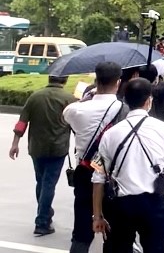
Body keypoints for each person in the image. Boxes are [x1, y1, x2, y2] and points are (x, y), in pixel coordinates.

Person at [91, 78, 164, 253]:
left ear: (126, 100)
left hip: (120, 205)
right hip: (154, 204)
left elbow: (98, 177)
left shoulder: (109, 134)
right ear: (149, 100)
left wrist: (97, 215)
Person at [63, 62, 126, 253]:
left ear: (96, 80)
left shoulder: (75, 110)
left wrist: (86, 98)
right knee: (115, 233)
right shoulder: (125, 110)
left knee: (81, 232)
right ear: (118, 82)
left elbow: (64, 117)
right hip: (113, 176)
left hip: (85, 172)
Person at [9, 74, 76, 237]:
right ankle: (42, 222)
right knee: (48, 184)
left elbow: (22, 121)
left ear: (49, 79)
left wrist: (15, 143)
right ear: (65, 80)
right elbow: (77, 125)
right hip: (58, 148)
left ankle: (45, 213)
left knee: (41, 181)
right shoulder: (70, 99)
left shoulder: (35, 96)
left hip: (36, 148)